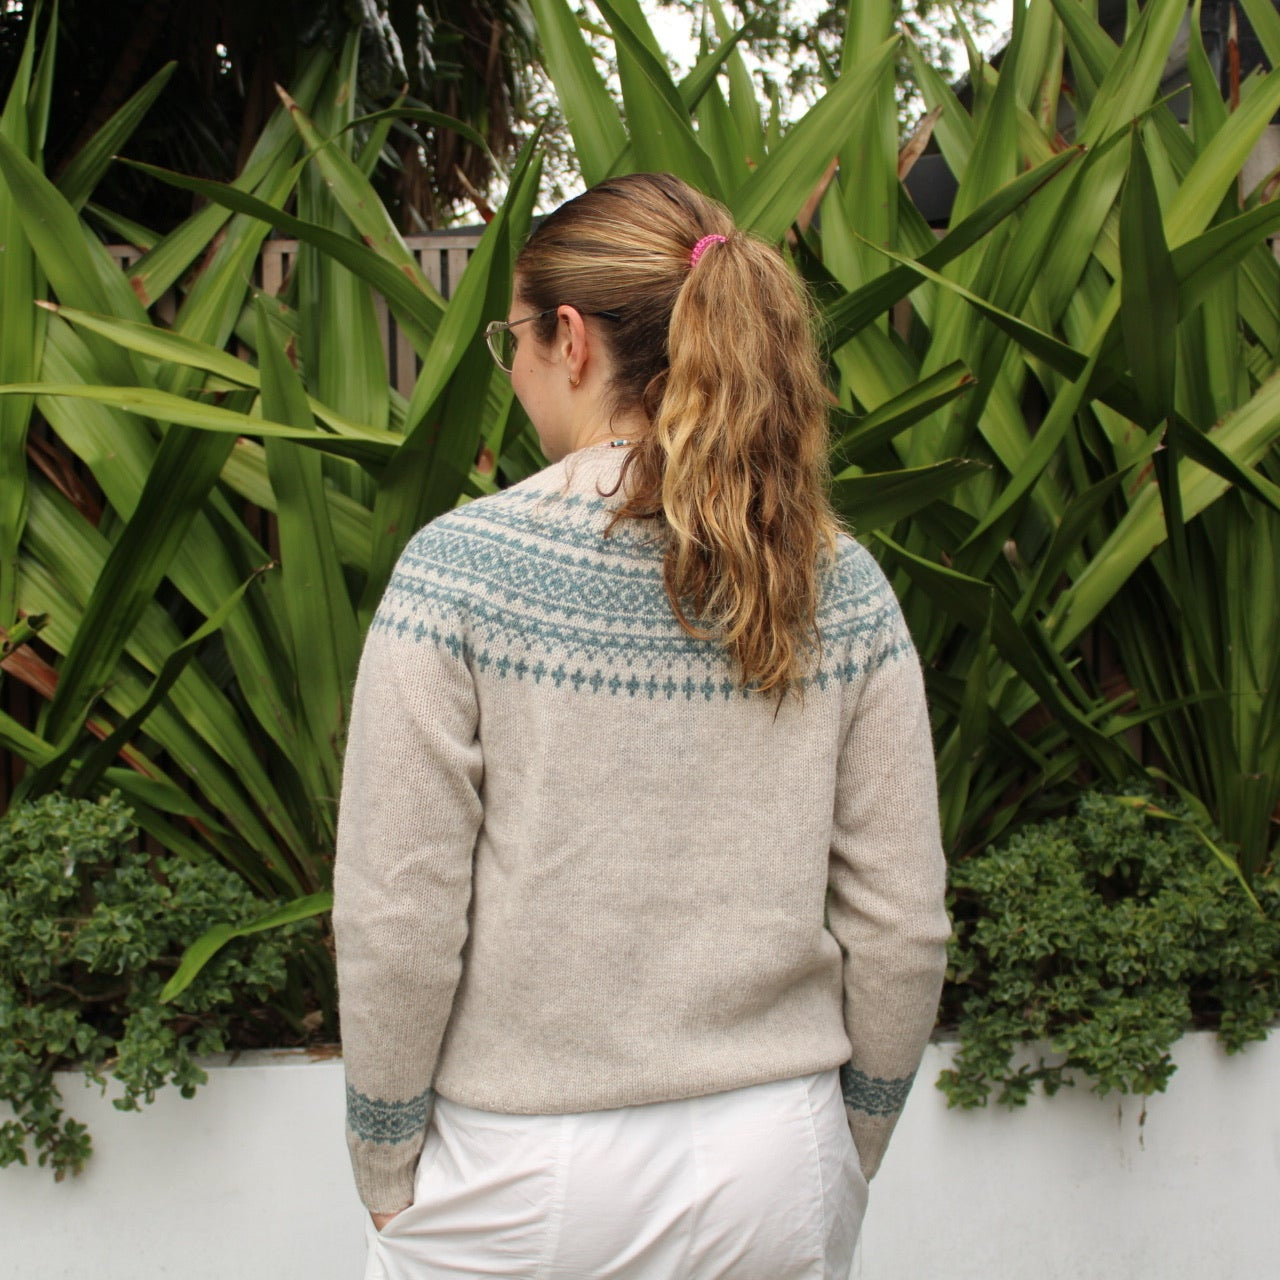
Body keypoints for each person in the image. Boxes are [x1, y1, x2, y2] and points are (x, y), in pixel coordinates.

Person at [332, 171, 950, 1280]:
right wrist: (843, 1145)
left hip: (524, 1168)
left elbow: (396, 912)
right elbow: (900, 921)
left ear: (569, 340)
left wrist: (384, 1162)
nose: (513, 368)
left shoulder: (461, 570)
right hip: (779, 1152)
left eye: (509, 338)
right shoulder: (835, 579)